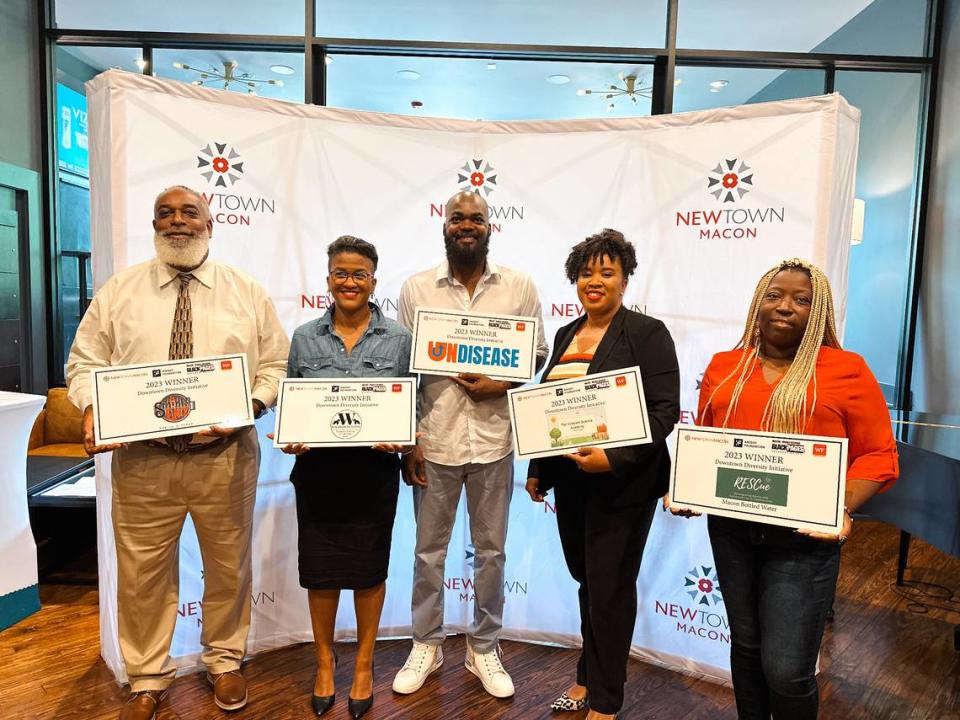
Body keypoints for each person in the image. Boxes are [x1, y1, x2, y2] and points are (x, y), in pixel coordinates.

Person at [66, 186, 289, 720]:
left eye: (190, 212)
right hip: (144, 461)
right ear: (154, 225)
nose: (177, 222)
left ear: (210, 224)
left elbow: (275, 366)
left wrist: (250, 407)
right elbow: (83, 365)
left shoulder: (246, 291)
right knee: (142, 574)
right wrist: (93, 407)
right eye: (165, 213)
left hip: (226, 457)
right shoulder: (120, 292)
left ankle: (225, 661)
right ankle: (147, 677)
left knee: (228, 568)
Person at [669, 258, 898, 719]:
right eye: (774, 295)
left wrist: (840, 506)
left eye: (802, 300)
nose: (785, 307)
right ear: (757, 304)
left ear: (820, 313)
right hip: (733, 532)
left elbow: (879, 455)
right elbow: (709, 444)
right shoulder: (724, 367)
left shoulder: (846, 369)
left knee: (787, 667)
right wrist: (689, 488)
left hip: (803, 541)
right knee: (747, 649)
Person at [392, 190, 549, 699]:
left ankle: (484, 648)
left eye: (475, 218)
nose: (466, 225)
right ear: (444, 226)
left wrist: (503, 383)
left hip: (494, 442)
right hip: (433, 442)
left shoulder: (519, 286)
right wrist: (409, 440)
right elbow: (403, 369)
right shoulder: (416, 289)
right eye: (457, 218)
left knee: (492, 553)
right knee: (427, 554)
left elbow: (538, 352)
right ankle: (428, 644)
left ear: (490, 226)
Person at [524, 229, 680, 720]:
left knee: (610, 590)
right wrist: (539, 469)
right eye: (586, 273)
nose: (595, 281)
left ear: (625, 279)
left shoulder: (648, 333)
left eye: (606, 272)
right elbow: (552, 410)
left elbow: (663, 413)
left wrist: (613, 460)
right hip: (572, 482)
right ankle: (587, 677)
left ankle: (606, 702)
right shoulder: (568, 334)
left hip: (624, 485)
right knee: (587, 582)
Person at [272, 236, 413, 719]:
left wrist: (404, 437)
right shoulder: (304, 337)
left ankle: (365, 666)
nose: (349, 282)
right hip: (318, 474)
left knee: (369, 572)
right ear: (328, 278)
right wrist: (290, 434)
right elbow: (293, 401)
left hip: (373, 473)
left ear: (374, 281)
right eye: (340, 273)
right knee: (322, 573)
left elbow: (408, 404)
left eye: (359, 274)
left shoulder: (397, 338)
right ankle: (325, 664)